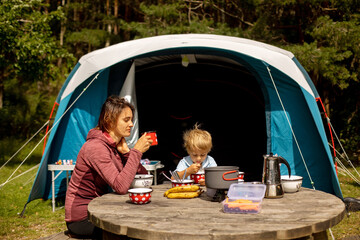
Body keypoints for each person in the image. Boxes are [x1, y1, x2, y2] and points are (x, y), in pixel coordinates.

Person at [65, 96, 153, 239]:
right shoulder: (96, 148)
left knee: (144, 222)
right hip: (82, 218)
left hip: (101, 209)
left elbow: (142, 178)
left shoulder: (115, 146)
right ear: (110, 121)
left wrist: (127, 154)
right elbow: (121, 187)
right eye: (126, 120)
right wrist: (136, 152)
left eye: (131, 119)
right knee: (133, 232)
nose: (131, 124)